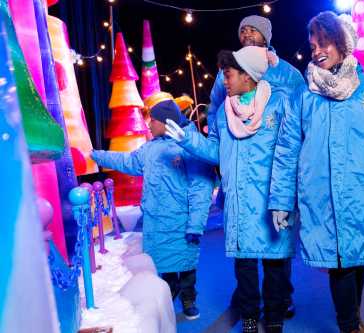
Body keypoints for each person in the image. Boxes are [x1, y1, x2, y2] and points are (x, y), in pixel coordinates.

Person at [268, 11, 364, 333]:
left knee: (356, 257)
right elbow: (286, 151)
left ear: (342, 42)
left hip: (360, 192)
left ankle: (352, 318)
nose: (317, 51)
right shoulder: (303, 96)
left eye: (324, 43)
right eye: (313, 46)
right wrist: (281, 200)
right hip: (320, 195)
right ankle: (349, 325)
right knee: (339, 262)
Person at [165, 46, 297, 333]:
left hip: (271, 203)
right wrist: (187, 138)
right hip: (239, 204)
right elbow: (217, 151)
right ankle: (249, 316)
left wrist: (284, 199)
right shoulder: (224, 113)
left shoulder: (279, 105)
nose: (224, 80)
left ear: (247, 76)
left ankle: (274, 318)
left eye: (228, 74)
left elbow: (289, 156)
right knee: (245, 267)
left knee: (275, 265)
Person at [207, 14, 304, 318]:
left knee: (278, 239)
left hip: (275, 168)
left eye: (254, 30)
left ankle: (280, 299)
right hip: (240, 164)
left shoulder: (286, 73)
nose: (247, 34)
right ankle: (248, 305)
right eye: (243, 30)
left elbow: (301, 115)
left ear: (266, 36)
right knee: (243, 242)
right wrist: (217, 151)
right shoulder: (228, 75)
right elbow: (215, 114)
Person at [91, 98, 214, 320]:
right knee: (161, 263)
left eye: (153, 120)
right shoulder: (149, 149)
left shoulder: (189, 147)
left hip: (181, 221)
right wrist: (96, 154)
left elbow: (201, 188)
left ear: (166, 123)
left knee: (185, 262)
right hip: (156, 222)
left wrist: (195, 224)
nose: (149, 125)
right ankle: (168, 292)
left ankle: (188, 298)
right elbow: (127, 161)